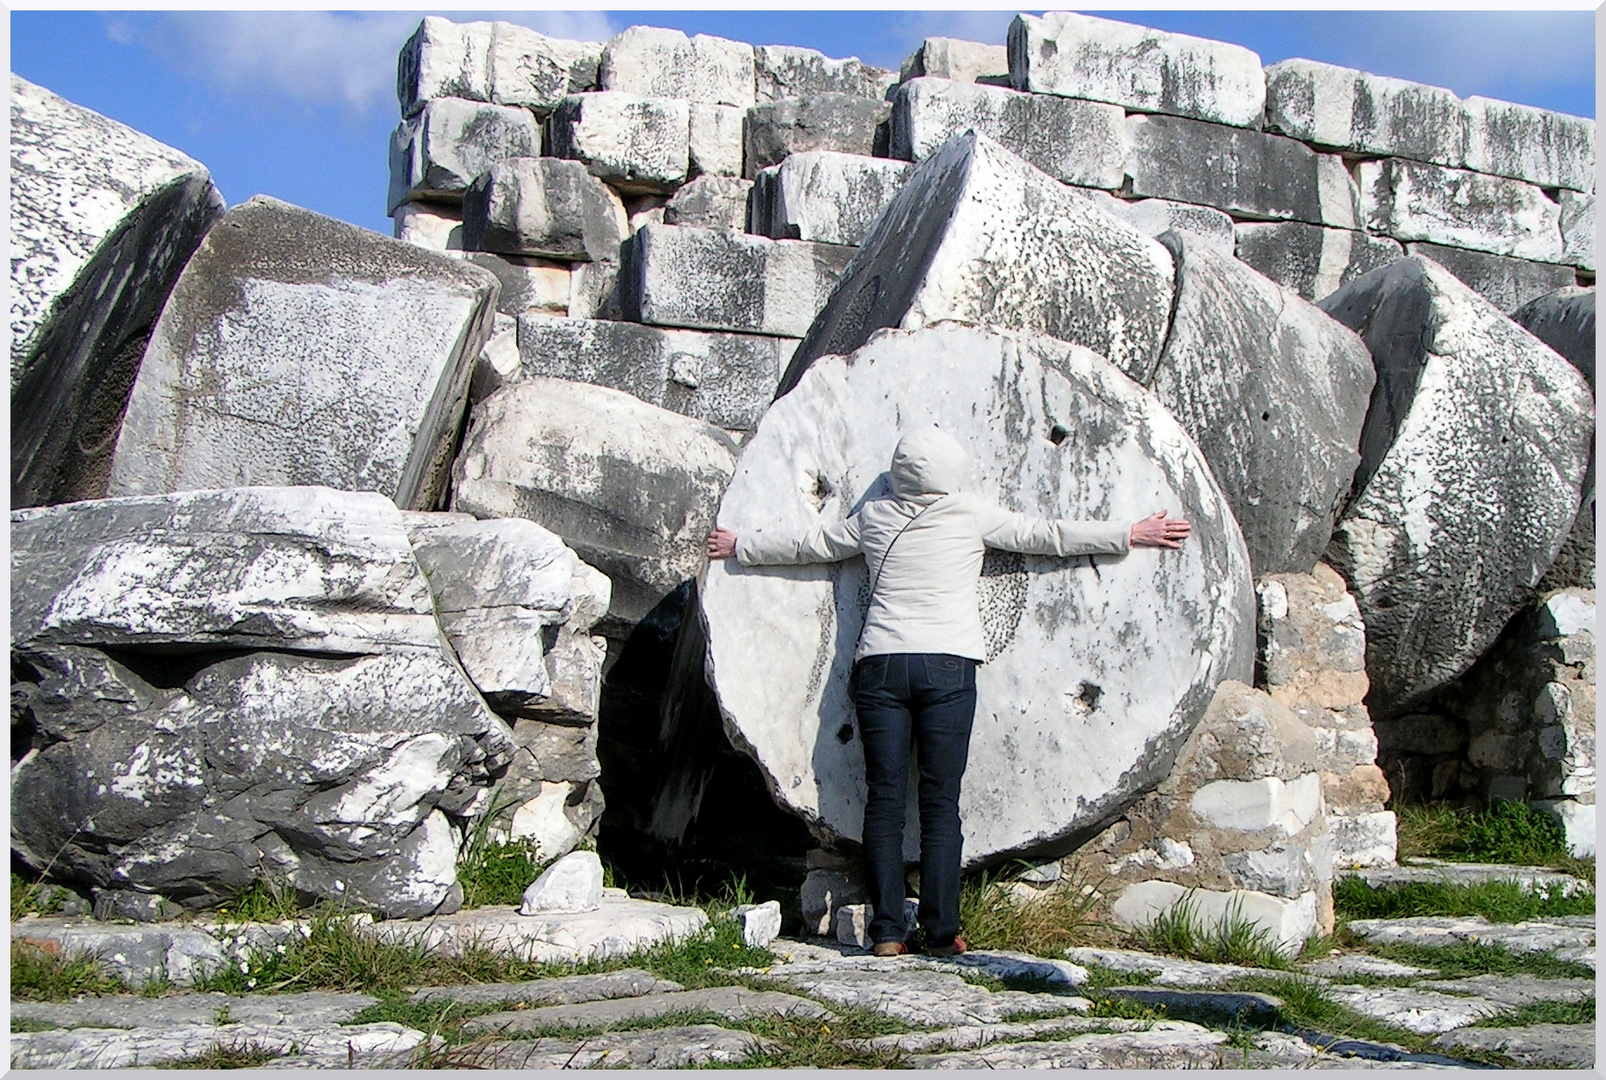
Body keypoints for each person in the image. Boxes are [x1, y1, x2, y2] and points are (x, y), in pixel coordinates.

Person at [705, 425, 1190, 957]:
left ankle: (888, 931)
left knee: (884, 802)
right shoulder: (969, 513)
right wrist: (1130, 533)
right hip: (947, 669)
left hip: (882, 668)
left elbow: (807, 546)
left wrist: (739, 546)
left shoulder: (873, 517)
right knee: (940, 803)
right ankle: (941, 931)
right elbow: (1048, 536)